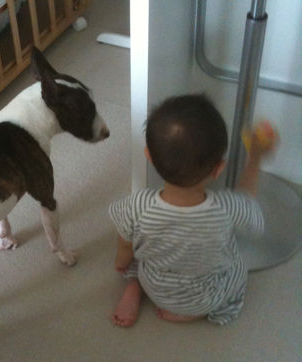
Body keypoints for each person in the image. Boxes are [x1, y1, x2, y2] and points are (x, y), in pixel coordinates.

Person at [109, 94, 278, 327]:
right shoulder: (228, 207)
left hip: (155, 286)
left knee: (138, 255)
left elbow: (125, 246)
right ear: (219, 169)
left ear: (149, 157)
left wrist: (121, 263)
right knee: (239, 264)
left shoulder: (137, 205)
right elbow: (249, 205)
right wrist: (256, 158)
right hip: (205, 298)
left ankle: (134, 285)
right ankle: (192, 313)